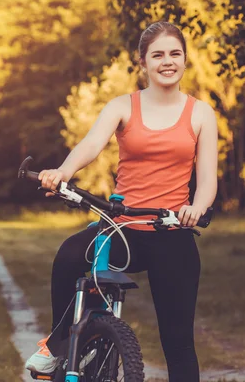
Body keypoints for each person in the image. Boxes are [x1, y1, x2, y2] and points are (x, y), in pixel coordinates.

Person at [25, 21, 218, 382]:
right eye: (157, 55)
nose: (167, 61)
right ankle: (58, 345)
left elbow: (207, 178)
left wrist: (197, 208)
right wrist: (63, 171)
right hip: (121, 227)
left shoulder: (201, 114)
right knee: (68, 258)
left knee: (179, 343)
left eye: (174, 53)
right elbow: (91, 144)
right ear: (143, 63)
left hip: (171, 229)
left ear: (184, 60)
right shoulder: (123, 107)